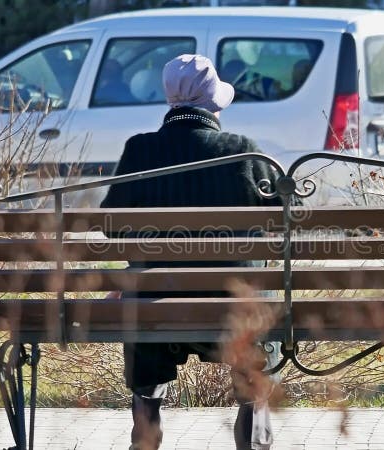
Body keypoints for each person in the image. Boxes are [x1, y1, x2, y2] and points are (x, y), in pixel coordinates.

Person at [101, 54, 282, 450]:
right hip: (236, 310)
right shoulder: (243, 152)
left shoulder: (139, 152)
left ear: (171, 101)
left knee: (140, 302)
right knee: (258, 308)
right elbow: (289, 219)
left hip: (155, 309)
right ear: (213, 103)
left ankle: (145, 427)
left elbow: (110, 225)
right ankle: (254, 433)